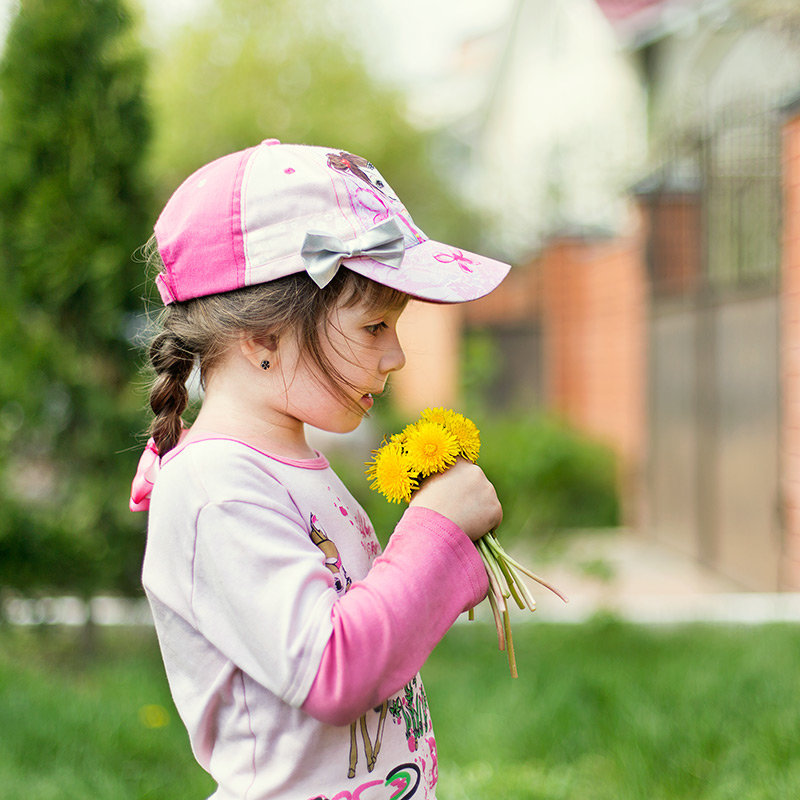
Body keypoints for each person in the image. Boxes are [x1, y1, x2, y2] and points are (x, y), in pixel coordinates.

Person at [129, 138, 509, 800]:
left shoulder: (291, 465)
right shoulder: (217, 489)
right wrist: (433, 533)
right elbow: (333, 670)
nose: (396, 357)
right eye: (373, 328)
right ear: (266, 336)